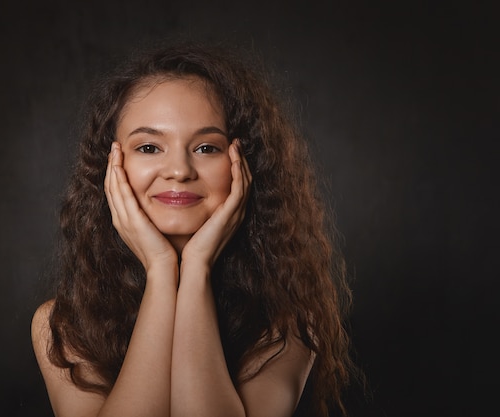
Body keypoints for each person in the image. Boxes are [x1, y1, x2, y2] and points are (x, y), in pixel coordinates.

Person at [31, 41, 356, 417]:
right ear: (110, 166)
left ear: (244, 166)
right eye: (150, 147)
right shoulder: (61, 327)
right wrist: (161, 268)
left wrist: (197, 266)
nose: (180, 170)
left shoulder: (286, 328)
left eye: (206, 148)